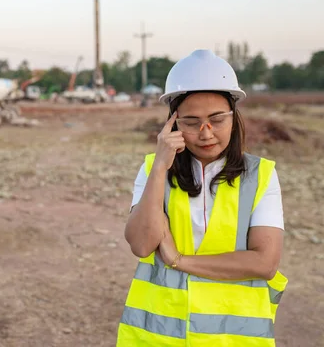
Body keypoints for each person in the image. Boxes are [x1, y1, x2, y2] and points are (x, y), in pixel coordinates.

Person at [116, 49, 288, 347]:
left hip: (234, 338)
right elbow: (142, 244)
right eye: (191, 122)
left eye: (217, 119)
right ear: (173, 123)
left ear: (234, 118)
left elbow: (264, 263)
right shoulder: (152, 169)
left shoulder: (261, 176)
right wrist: (160, 167)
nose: (205, 133)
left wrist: (178, 260)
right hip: (158, 337)